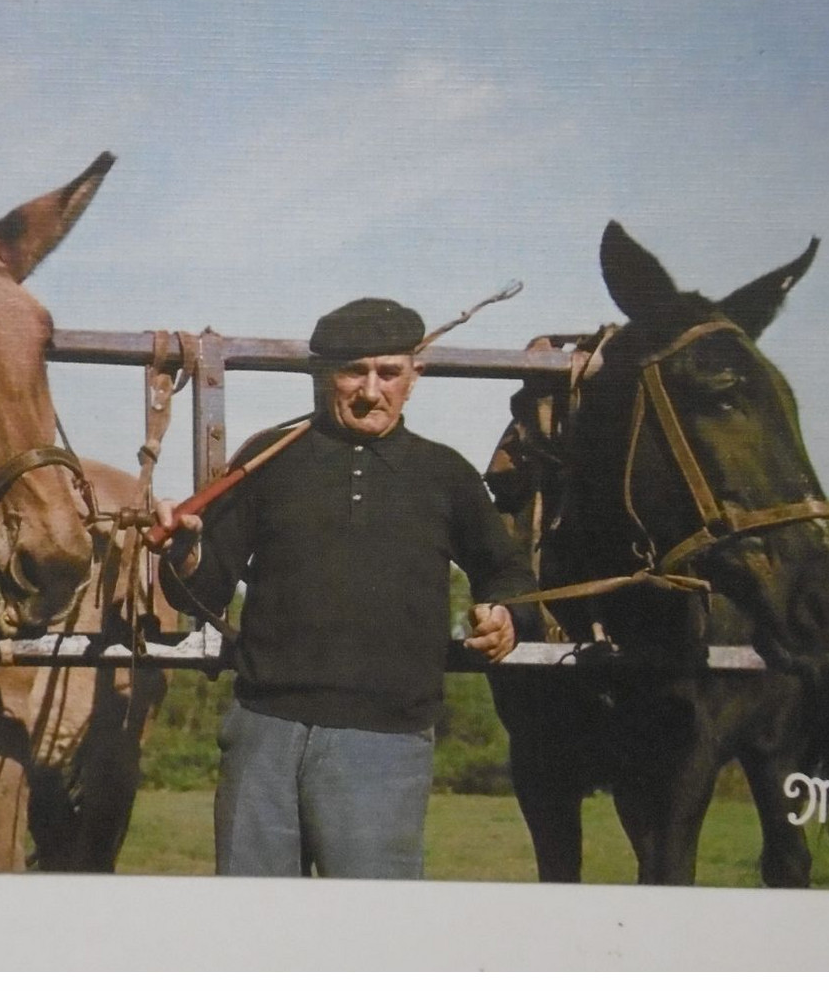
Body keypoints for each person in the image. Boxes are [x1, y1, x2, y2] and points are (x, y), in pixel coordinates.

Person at [154, 296, 540, 879]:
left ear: (415, 377)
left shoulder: (446, 474)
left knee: (368, 944)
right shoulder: (264, 461)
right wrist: (183, 554)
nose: (370, 391)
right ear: (319, 375)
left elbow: (508, 573)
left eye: (389, 372)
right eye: (353, 371)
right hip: (264, 732)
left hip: (386, 742)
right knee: (250, 941)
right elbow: (198, 593)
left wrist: (506, 615)